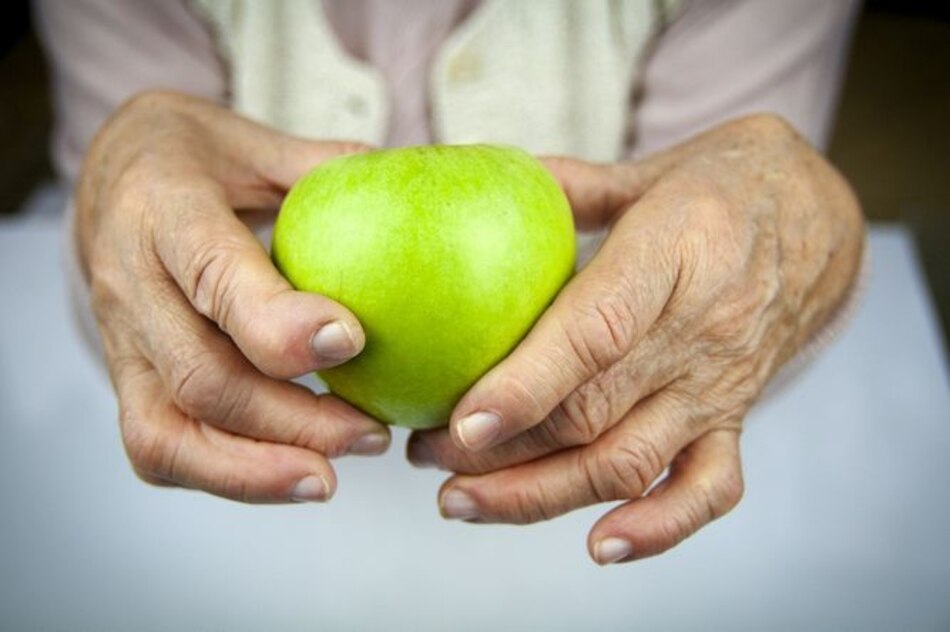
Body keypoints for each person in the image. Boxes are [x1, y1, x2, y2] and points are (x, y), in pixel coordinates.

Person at [35, 0, 866, 565]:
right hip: (247, 537)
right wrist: (117, 188)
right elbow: (133, 270)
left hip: (603, 524)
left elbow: (728, 278)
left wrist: (792, 238)